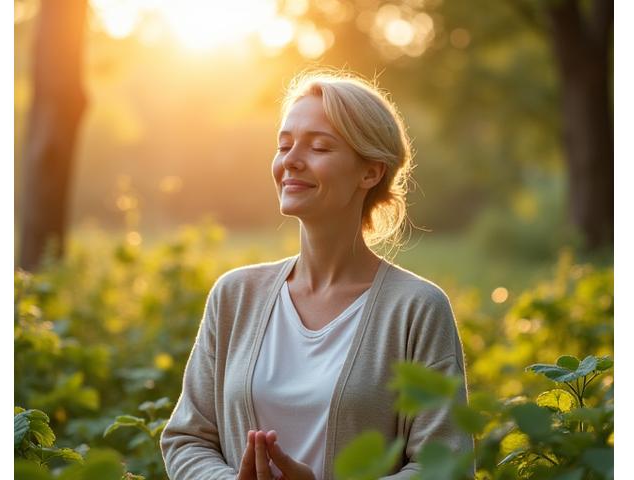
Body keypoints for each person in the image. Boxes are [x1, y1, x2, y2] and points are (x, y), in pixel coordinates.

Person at [160, 70, 474, 479]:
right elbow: (187, 439)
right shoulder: (235, 296)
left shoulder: (417, 309)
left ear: (370, 172)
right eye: (284, 145)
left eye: (319, 146)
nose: (290, 160)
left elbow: (444, 466)